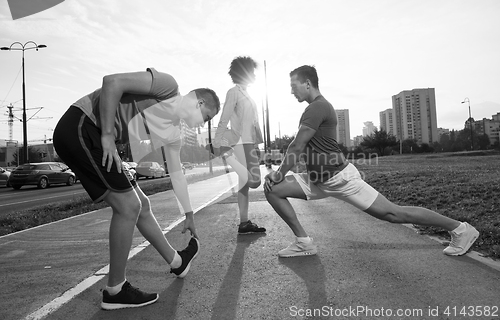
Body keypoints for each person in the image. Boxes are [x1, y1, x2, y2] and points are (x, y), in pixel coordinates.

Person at [264, 65, 479, 258]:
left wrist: (279, 173)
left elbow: (297, 145)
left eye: (294, 85)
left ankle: (460, 229)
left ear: (307, 83)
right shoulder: (315, 108)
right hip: (318, 180)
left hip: (340, 179)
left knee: (394, 214)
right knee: (273, 190)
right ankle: (303, 243)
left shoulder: (317, 107)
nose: (292, 91)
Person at [53, 68, 220, 310]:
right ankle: (115, 290)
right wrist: (108, 135)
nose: (202, 125)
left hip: (97, 134)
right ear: (199, 103)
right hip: (82, 124)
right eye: (206, 118)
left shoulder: (174, 133)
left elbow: (176, 173)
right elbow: (112, 82)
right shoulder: (168, 87)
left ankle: (177, 262)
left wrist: (189, 214)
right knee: (128, 206)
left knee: (142, 205)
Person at [210, 56, 266, 234]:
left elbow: (252, 122)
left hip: (249, 142)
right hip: (240, 142)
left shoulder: (247, 93)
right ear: (244, 73)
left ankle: (244, 223)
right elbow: (224, 118)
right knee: (255, 181)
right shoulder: (233, 92)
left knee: (243, 184)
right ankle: (227, 155)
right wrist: (217, 143)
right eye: (252, 72)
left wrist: (257, 144)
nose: (255, 75)